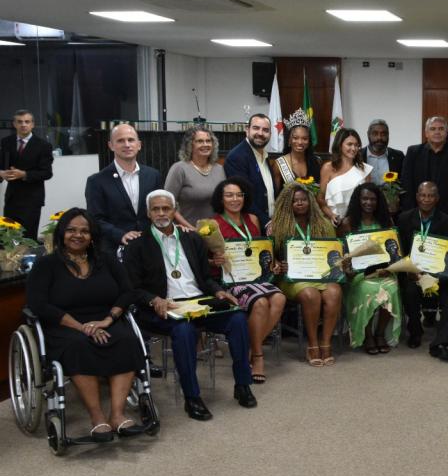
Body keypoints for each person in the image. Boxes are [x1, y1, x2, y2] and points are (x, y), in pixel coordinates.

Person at [124, 190, 256, 421]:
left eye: (166, 208)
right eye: (156, 209)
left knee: (237, 318)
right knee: (184, 331)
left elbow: (206, 277)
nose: (162, 213)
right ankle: (192, 397)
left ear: (175, 212)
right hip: (165, 307)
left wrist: (219, 291)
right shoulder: (137, 245)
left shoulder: (192, 238)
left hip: (199, 302)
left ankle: (243, 384)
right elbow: (132, 288)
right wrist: (154, 300)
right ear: (148, 213)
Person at [26, 208, 146, 440]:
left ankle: (118, 415)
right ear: (61, 233)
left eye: (84, 231)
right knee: (78, 346)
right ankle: (97, 417)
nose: (77, 235)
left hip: (105, 319)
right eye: (71, 230)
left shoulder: (106, 261)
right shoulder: (46, 265)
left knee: (127, 340)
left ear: (92, 236)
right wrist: (82, 327)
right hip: (64, 325)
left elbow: (127, 292)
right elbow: (39, 304)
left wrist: (107, 320)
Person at [208, 177, 286, 384]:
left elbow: (262, 249)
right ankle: (258, 357)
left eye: (239, 195)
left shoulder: (253, 219)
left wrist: (273, 262)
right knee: (260, 302)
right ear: (221, 198)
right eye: (229, 195)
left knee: (279, 298)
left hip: (256, 276)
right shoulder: (212, 224)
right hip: (231, 281)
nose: (235, 199)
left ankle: (250, 348)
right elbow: (202, 260)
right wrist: (214, 261)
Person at [269, 182, 343, 367]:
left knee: (334, 292)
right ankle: (312, 344)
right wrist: (278, 264)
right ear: (287, 204)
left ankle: (325, 342)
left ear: (310, 202)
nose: (300, 203)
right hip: (292, 278)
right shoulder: (277, 226)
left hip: (320, 275)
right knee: (310, 295)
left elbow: (331, 253)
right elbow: (270, 257)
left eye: (303, 200)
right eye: (295, 201)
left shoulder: (324, 225)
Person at [396, 181, 448, 361]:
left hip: (439, 273)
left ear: (437, 198)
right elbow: (400, 250)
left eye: (431, 196)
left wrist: (443, 273)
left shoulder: (447, 221)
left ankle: (440, 343)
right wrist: (409, 270)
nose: (426, 199)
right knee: (409, 290)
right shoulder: (404, 219)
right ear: (417, 197)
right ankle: (415, 331)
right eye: (423, 195)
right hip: (413, 272)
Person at [339, 183, 402, 354]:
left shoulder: (385, 221)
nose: (369, 202)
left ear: (379, 201)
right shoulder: (348, 223)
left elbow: (394, 250)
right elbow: (343, 253)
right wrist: (348, 269)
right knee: (365, 289)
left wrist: (390, 268)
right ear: (358, 200)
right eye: (365, 198)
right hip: (359, 274)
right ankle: (367, 335)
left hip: (383, 271)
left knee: (391, 288)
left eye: (373, 199)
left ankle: (380, 333)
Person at [85, 123, 163, 254]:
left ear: (139, 145)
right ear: (111, 145)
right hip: (114, 249)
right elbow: (95, 219)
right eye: (120, 140)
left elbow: (160, 209)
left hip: (151, 246)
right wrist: (120, 234)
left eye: (131, 140)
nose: (127, 145)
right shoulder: (96, 181)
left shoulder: (153, 175)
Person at [400, 116, 448, 219]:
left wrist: (445, 213)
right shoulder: (413, 152)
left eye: (441, 129)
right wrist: (413, 210)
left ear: (446, 133)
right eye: (433, 129)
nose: (437, 132)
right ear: (426, 133)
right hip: (416, 213)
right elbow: (406, 182)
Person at [1, 109, 53, 240]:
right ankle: (9, 261)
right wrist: (1, 173)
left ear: (32, 124)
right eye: (20, 122)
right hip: (11, 198)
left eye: (27, 122)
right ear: (14, 124)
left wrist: (23, 174)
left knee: (28, 239)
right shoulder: (6, 142)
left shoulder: (43, 145)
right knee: (8, 238)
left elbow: (47, 173)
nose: (23, 125)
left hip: (32, 199)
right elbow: (1, 166)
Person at [164, 127, 226, 230]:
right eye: (200, 141)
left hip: (216, 232)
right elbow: (168, 204)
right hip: (188, 232)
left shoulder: (220, 169)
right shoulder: (179, 169)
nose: (205, 144)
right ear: (190, 145)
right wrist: (192, 229)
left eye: (208, 141)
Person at [223, 113, 274, 228]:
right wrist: (267, 222)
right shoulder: (237, 157)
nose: (260, 133)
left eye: (265, 130)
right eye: (256, 128)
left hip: (268, 226)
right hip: (249, 227)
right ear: (247, 130)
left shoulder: (264, 156)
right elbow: (242, 197)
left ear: (270, 134)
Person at [320, 127, 373, 230]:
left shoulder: (365, 169)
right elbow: (320, 199)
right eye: (349, 144)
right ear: (340, 145)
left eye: (356, 145)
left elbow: (370, 200)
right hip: (334, 224)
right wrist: (331, 215)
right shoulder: (328, 168)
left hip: (358, 224)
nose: (353, 148)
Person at [271, 111, 322, 193]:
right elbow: (276, 195)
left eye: (304, 138)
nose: (300, 142)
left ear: (309, 141)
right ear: (289, 140)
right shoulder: (279, 164)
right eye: (295, 138)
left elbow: (320, 192)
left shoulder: (316, 161)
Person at [359, 119, 405, 188]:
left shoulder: (398, 156)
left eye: (383, 134)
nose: (379, 138)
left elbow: (403, 183)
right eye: (375, 134)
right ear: (368, 135)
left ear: (388, 136)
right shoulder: (358, 156)